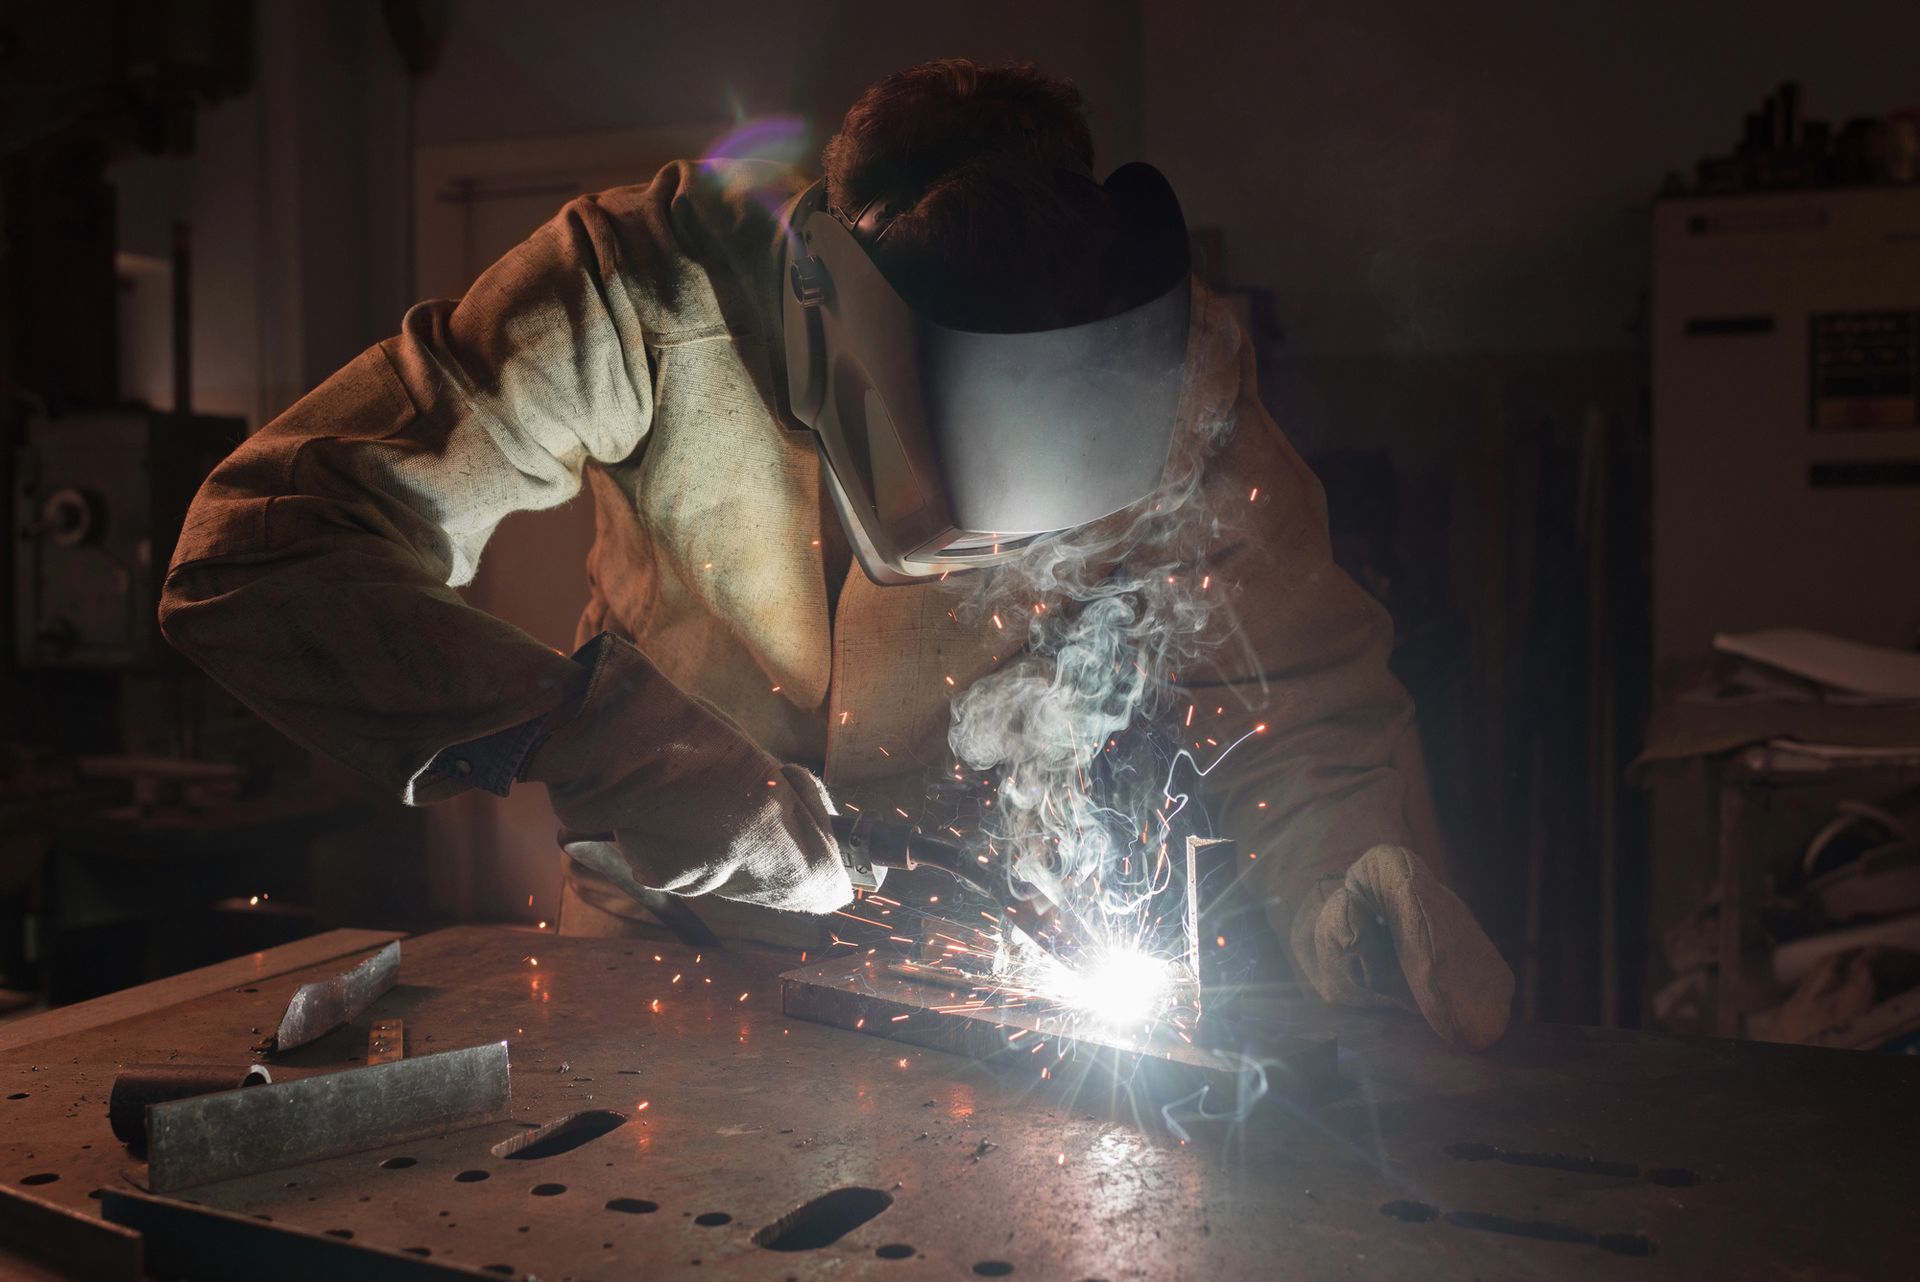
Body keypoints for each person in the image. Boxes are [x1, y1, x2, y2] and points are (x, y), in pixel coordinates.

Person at [159, 59, 1513, 1049]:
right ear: (826, 321)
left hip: (990, 990)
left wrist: (1353, 870)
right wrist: (614, 747)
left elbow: (1299, 701)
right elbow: (258, 556)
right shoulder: (637, 295)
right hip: (666, 961)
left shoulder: (1172, 368)